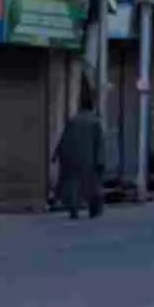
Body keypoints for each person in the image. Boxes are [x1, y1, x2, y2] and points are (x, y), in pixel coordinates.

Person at [54, 84, 106, 219]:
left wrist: (56, 155)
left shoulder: (73, 120)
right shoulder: (95, 122)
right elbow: (99, 143)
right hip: (89, 159)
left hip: (71, 158)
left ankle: (73, 209)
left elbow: (63, 138)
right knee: (93, 185)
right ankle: (94, 209)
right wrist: (101, 161)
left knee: (73, 185)